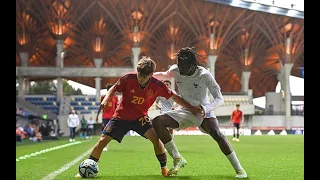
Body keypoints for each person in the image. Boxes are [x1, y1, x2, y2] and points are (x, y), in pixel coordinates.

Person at [75, 56, 201, 178]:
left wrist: (192, 108)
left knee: (156, 139)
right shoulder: (127, 78)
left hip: (140, 118)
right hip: (121, 117)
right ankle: (88, 167)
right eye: (139, 74)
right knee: (102, 141)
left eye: (144, 76)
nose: (140, 78)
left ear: (151, 74)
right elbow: (113, 89)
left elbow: (174, 97)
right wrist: (106, 99)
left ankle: (164, 168)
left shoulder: (158, 86)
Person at [152, 47, 247, 178]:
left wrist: (206, 109)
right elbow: (164, 75)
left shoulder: (204, 75)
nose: (179, 69)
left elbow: (219, 99)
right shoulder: (176, 70)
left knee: (217, 133)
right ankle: (177, 158)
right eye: (179, 65)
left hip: (204, 111)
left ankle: (239, 169)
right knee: (158, 122)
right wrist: (142, 75)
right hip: (186, 110)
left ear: (192, 65)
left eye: (182, 66)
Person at [96, 84, 118, 151]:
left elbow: (116, 108)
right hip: (105, 116)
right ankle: (105, 146)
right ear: (107, 90)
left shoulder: (115, 98)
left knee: (110, 132)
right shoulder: (103, 97)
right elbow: (101, 106)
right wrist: (97, 116)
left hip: (112, 117)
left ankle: (108, 142)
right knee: (105, 131)